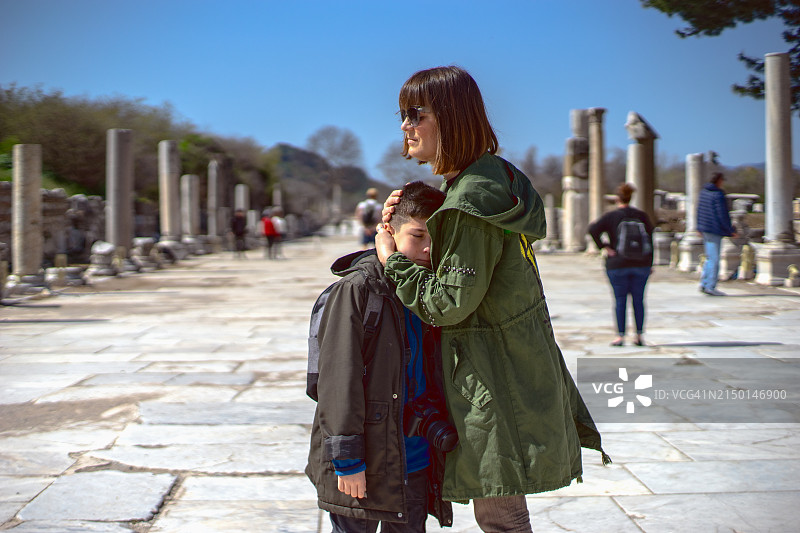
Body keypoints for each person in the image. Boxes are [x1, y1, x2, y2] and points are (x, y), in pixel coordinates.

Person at [375, 66, 608, 533]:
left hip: (492, 376)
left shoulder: (470, 200)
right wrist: (405, 225)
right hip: (513, 364)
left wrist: (391, 259)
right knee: (499, 510)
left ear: (450, 117)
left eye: (415, 114)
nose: (405, 126)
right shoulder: (493, 178)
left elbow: (447, 304)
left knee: (501, 516)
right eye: (403, 115)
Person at [306, 181, 453, 532]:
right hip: (364, 461)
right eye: (417, 235)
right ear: (388, 232)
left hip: (416, 457)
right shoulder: (358, 289)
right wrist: (346, 459)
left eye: (436, 237)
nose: (428, 248)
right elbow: (337, 380)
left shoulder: (431, 290)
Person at [587, 183, 655, 347]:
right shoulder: (641, 216)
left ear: (617, 199)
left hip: (617, 263)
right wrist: (650, 262)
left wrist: (604, 247)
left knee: (620, 301)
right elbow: (650, 240)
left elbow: (593, 229)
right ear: (631, 198)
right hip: (641, 264)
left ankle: (620, 336)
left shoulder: (611, 216)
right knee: (639, 300)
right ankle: (639, 336)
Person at [697, 172, 737, 296]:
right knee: (714, 259)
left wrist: (699, 227)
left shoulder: (703, 192)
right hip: (714, 229)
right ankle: (710, 286)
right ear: (718, 180)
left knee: (709, 258)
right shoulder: (718, 195)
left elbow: (699, 211)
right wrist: (730, 230)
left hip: (705, 229)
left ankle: (704, 283)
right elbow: (722, 215)